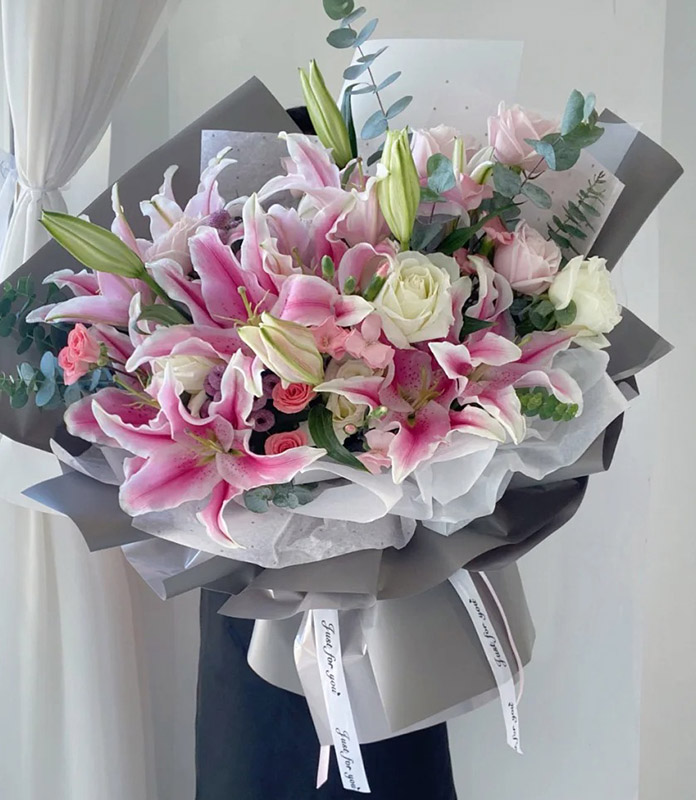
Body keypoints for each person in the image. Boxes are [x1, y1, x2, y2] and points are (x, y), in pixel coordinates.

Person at [192, 107, 458, 800]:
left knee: (384, 760)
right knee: (257, 761)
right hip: (255, 586)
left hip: (373, 598)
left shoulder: (394, 270)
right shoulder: (218, 264)